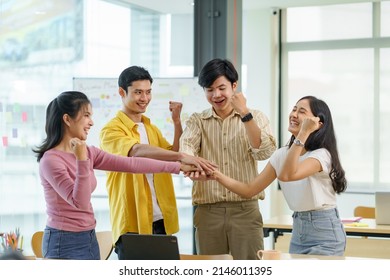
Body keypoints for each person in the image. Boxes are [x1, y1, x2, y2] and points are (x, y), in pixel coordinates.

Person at [32, 91, 198, 260]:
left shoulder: (89, 152)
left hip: (88, 236)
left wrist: (178, 166)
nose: (91, 122)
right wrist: (81, 160)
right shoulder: (51, 160)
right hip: (63, 240)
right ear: (67, 119)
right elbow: (79, 202)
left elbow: (132, 164)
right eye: (86, 115)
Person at [99, 66, 216, 260]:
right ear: (122, 92)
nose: (144, 98)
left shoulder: (150, 128)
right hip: (132, 222)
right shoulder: (111, 130)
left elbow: (173, 153)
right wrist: (181, 158)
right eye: (138, 92)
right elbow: (135, 151)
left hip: (161, 219)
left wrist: (177, 122)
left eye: (148, 92)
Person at [210, 95, 347, 256]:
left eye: (301, 111)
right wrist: (216, 175)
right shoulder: (282, 154)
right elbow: (249, 190)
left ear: (318, 124)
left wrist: (303, 133)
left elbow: (288, 174)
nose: (294, 114)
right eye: (294, 109)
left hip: (324, 231)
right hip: (299, 229)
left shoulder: (321, 155)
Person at [179, 58, 277, 260]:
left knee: (249, 270)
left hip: (245, 209)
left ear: (234, 86)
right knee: (210, 270)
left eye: (221, 88)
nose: (216, 95)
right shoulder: (198, 120)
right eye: (209, 89)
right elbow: (186, 147)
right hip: (208, 211)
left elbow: (264, 152)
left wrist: (245, 114)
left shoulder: (256, 117)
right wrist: (191, 163)